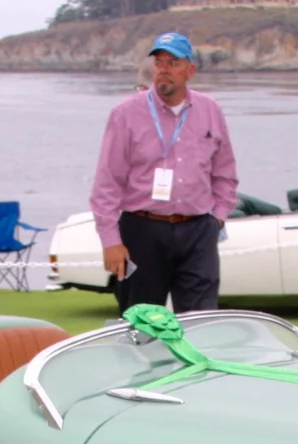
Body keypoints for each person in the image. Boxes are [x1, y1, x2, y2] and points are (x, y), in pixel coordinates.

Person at [91, 32, 238, 314]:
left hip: (198, 231)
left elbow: (225, 173)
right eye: (159, 63)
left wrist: (216, 219)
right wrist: (111, 241)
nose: (164, 70)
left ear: (190, 70)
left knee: (201, 322)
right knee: (142, 325)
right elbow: (107, 183)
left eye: (173, 63)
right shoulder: (125, 113)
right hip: (142, 230)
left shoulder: (210, 110)